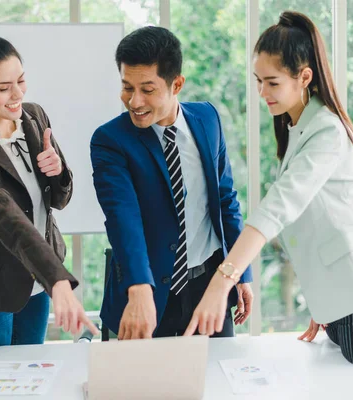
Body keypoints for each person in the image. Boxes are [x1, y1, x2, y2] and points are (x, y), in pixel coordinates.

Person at [185, 11, 353, 399]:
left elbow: (279, 207)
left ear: (304, 77)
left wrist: (223, 281)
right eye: (258, 81)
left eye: (273, 82)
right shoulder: (297, 126)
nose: (263, 92)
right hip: (341, 301)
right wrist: (324, 300)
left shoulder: (327, 131)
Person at [90, 26, 254, 340]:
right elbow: (123, 219)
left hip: (209, 287)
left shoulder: (207, 119)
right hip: (144, 292)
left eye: (147, 89)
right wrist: (138, 289)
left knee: (215, 385)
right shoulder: (110, 140)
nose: (134, 101)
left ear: (176, 84)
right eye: (127, 87)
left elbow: (225, 201)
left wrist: (240, 272)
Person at [0, 33, 97, 347]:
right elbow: (9, 221)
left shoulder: (34, 118)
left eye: (21, 81)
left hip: (37, 283)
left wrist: (59, 172)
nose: (17, 95)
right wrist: (60, 282)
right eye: (3, 88)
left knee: (30, 378)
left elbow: (59, 200)